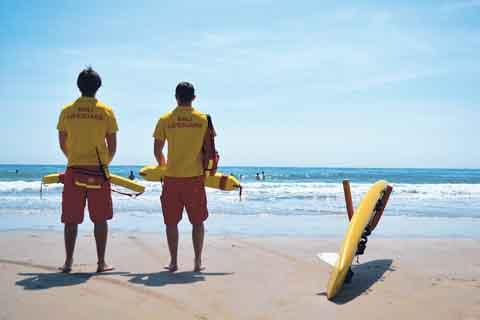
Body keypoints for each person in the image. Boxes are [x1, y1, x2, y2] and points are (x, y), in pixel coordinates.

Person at [56, 67, 118, 273]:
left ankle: (68, 262)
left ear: (78, 86)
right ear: (98, 87)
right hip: (98, 170)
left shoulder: (67, 110)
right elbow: (112, 144)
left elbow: (62, 140)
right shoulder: (105, 111)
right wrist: (104, 163)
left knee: (71, 219)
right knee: (100, 218)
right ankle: (101, 263)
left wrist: (72, 158)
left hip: (74, 168)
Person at [153, 81, 210, 272]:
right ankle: (197, 261)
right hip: (195, 177)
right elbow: (209, 150)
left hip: (172, 178)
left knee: (171, 222)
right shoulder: (203, 119)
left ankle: (174, 262)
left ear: (176, 97)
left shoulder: (165, 119)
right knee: (197, 222)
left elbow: (157, 150)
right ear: (194, 98)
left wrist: (164, 167)